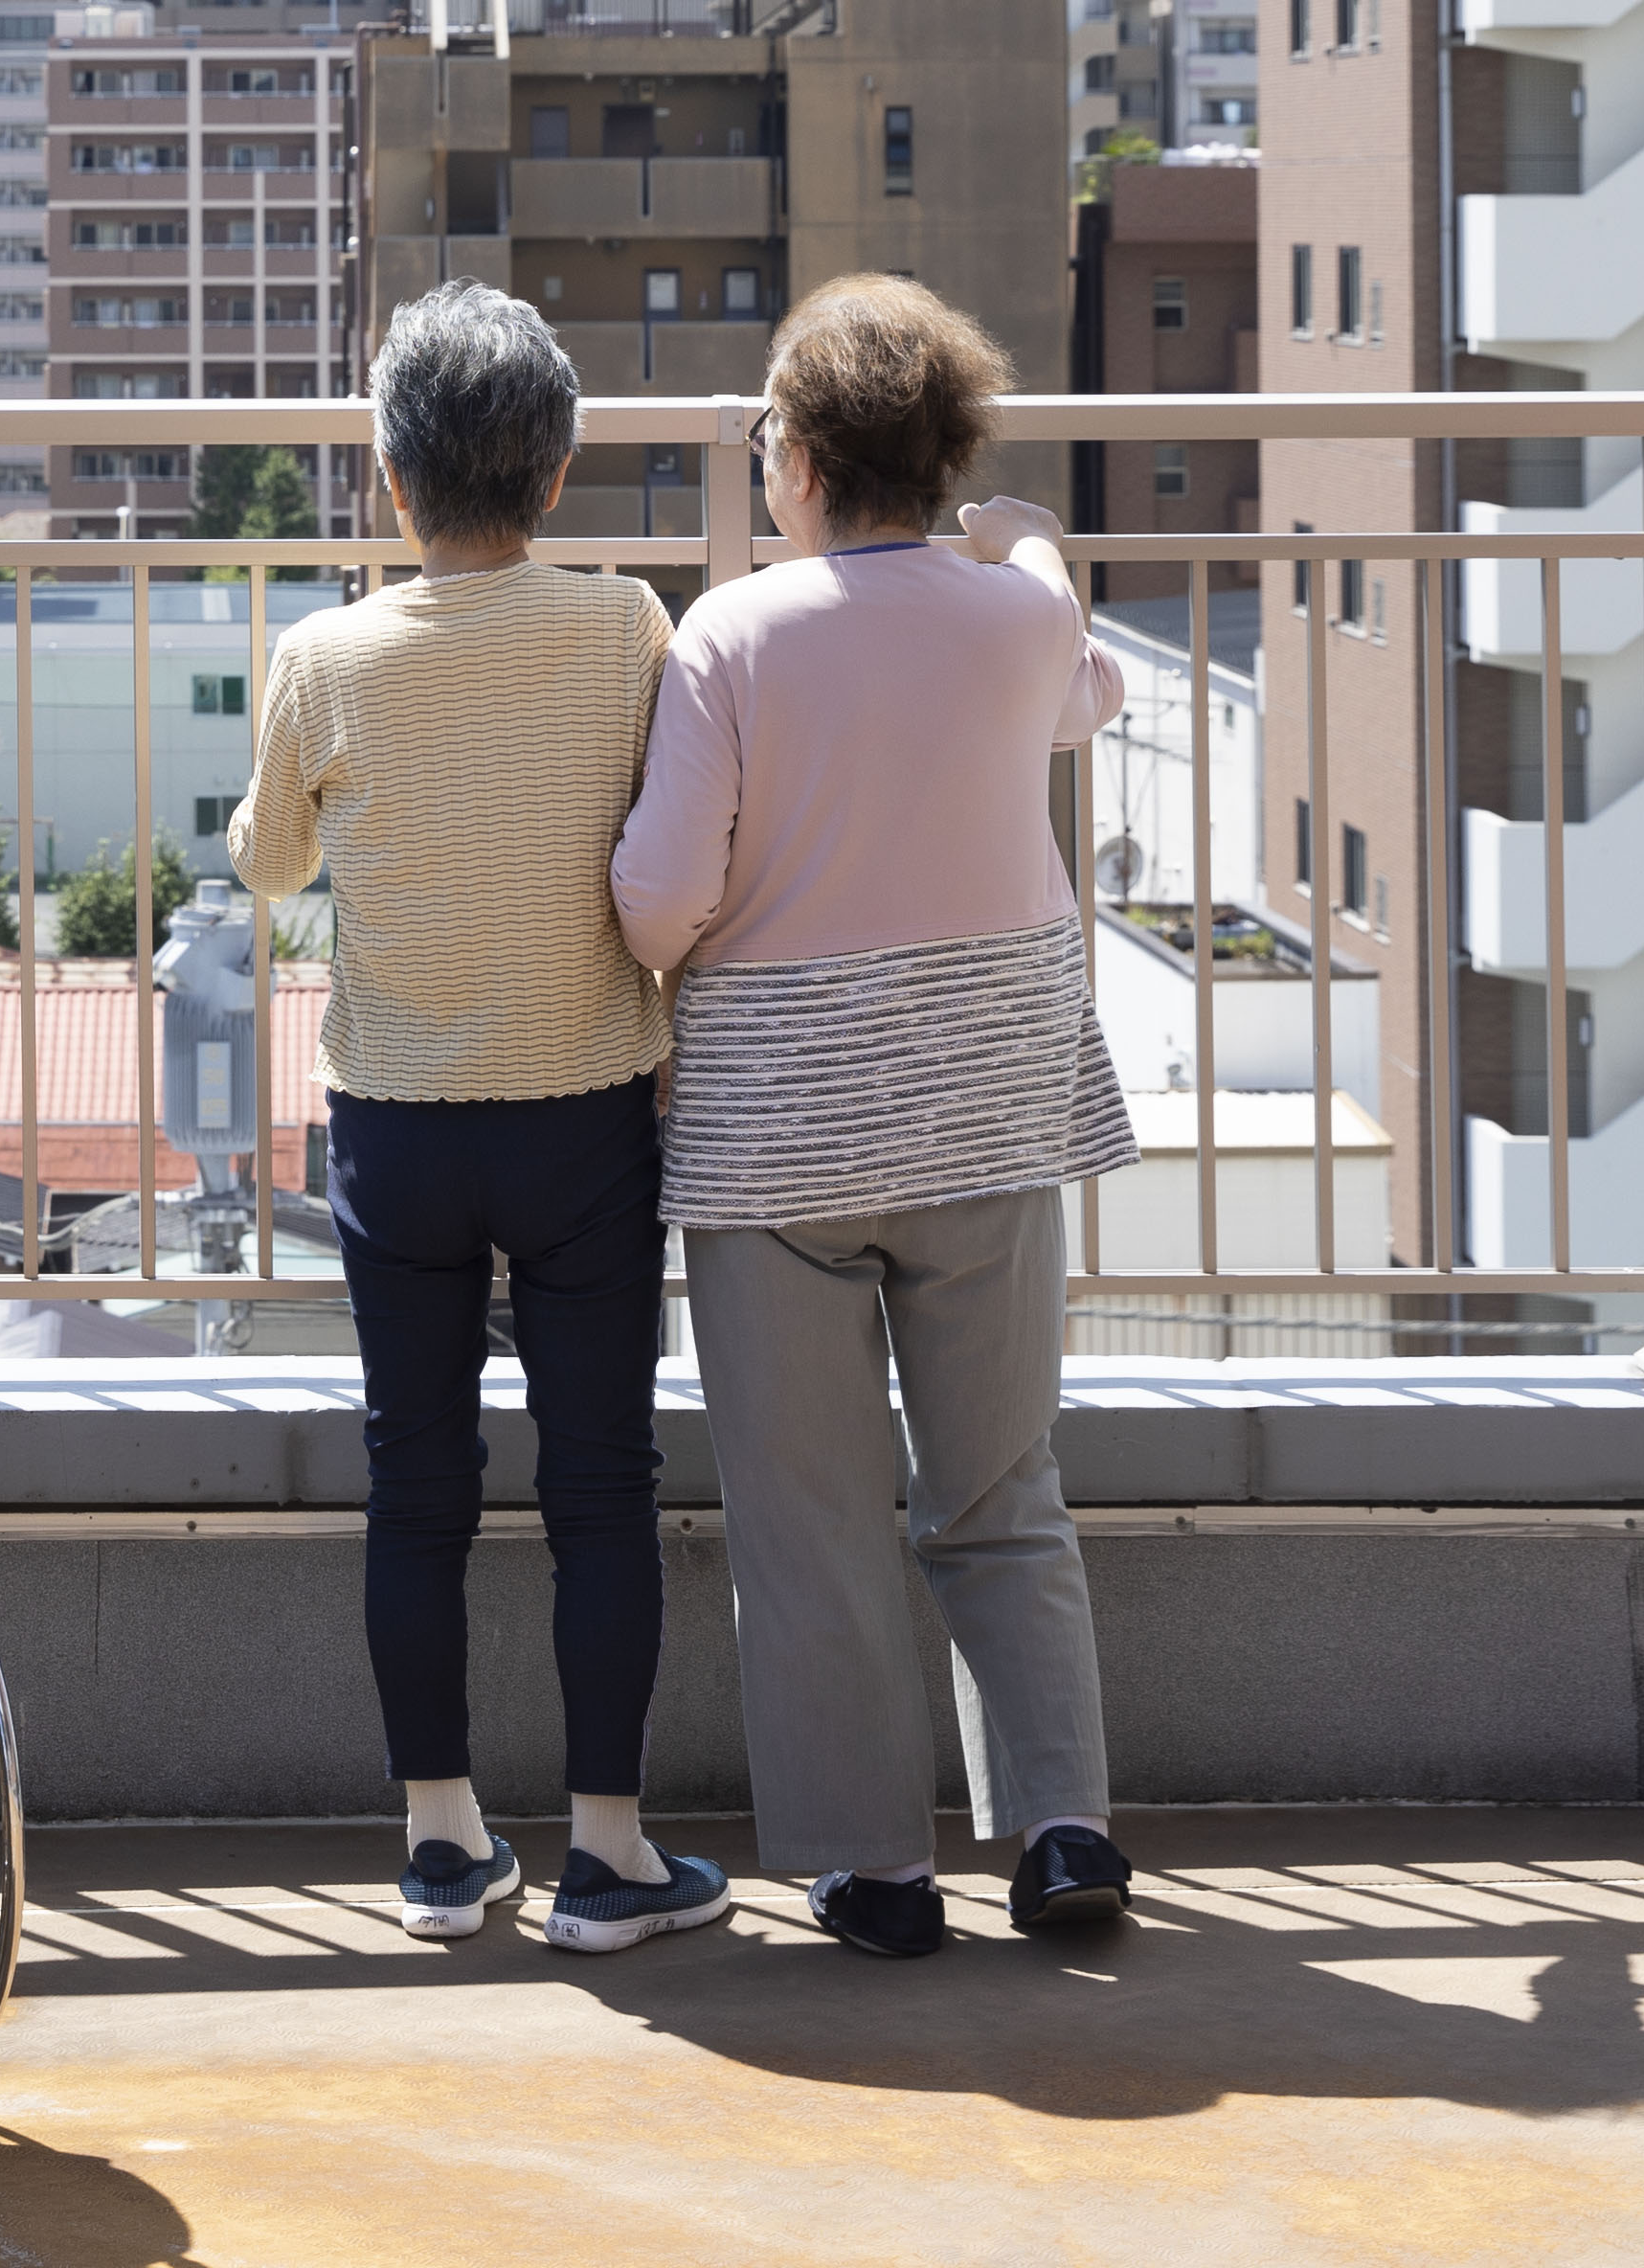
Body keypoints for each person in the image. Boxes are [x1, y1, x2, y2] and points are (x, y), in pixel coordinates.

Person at [615, 274, 1138, 1959]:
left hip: (780, 1129)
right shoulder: (1021, 620)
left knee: (812, 1516)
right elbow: (1079, 673)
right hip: (988, 1098)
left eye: (771, 429)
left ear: (809, 462)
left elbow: (656, 902)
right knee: (1001, 1485)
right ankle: (1062, 1829)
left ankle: (876, 1866)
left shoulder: (731, 639)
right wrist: (1027, 540)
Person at [230, 282, 722, 1957]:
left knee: (414, 1477)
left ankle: (440, 1845)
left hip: (397, 1124)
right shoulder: (629, 628)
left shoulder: (326, 653)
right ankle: (609, 1852)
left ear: (390, 483)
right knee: (603, 1480)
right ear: (561, 470)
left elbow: (268, 862)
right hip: (588, 1107)